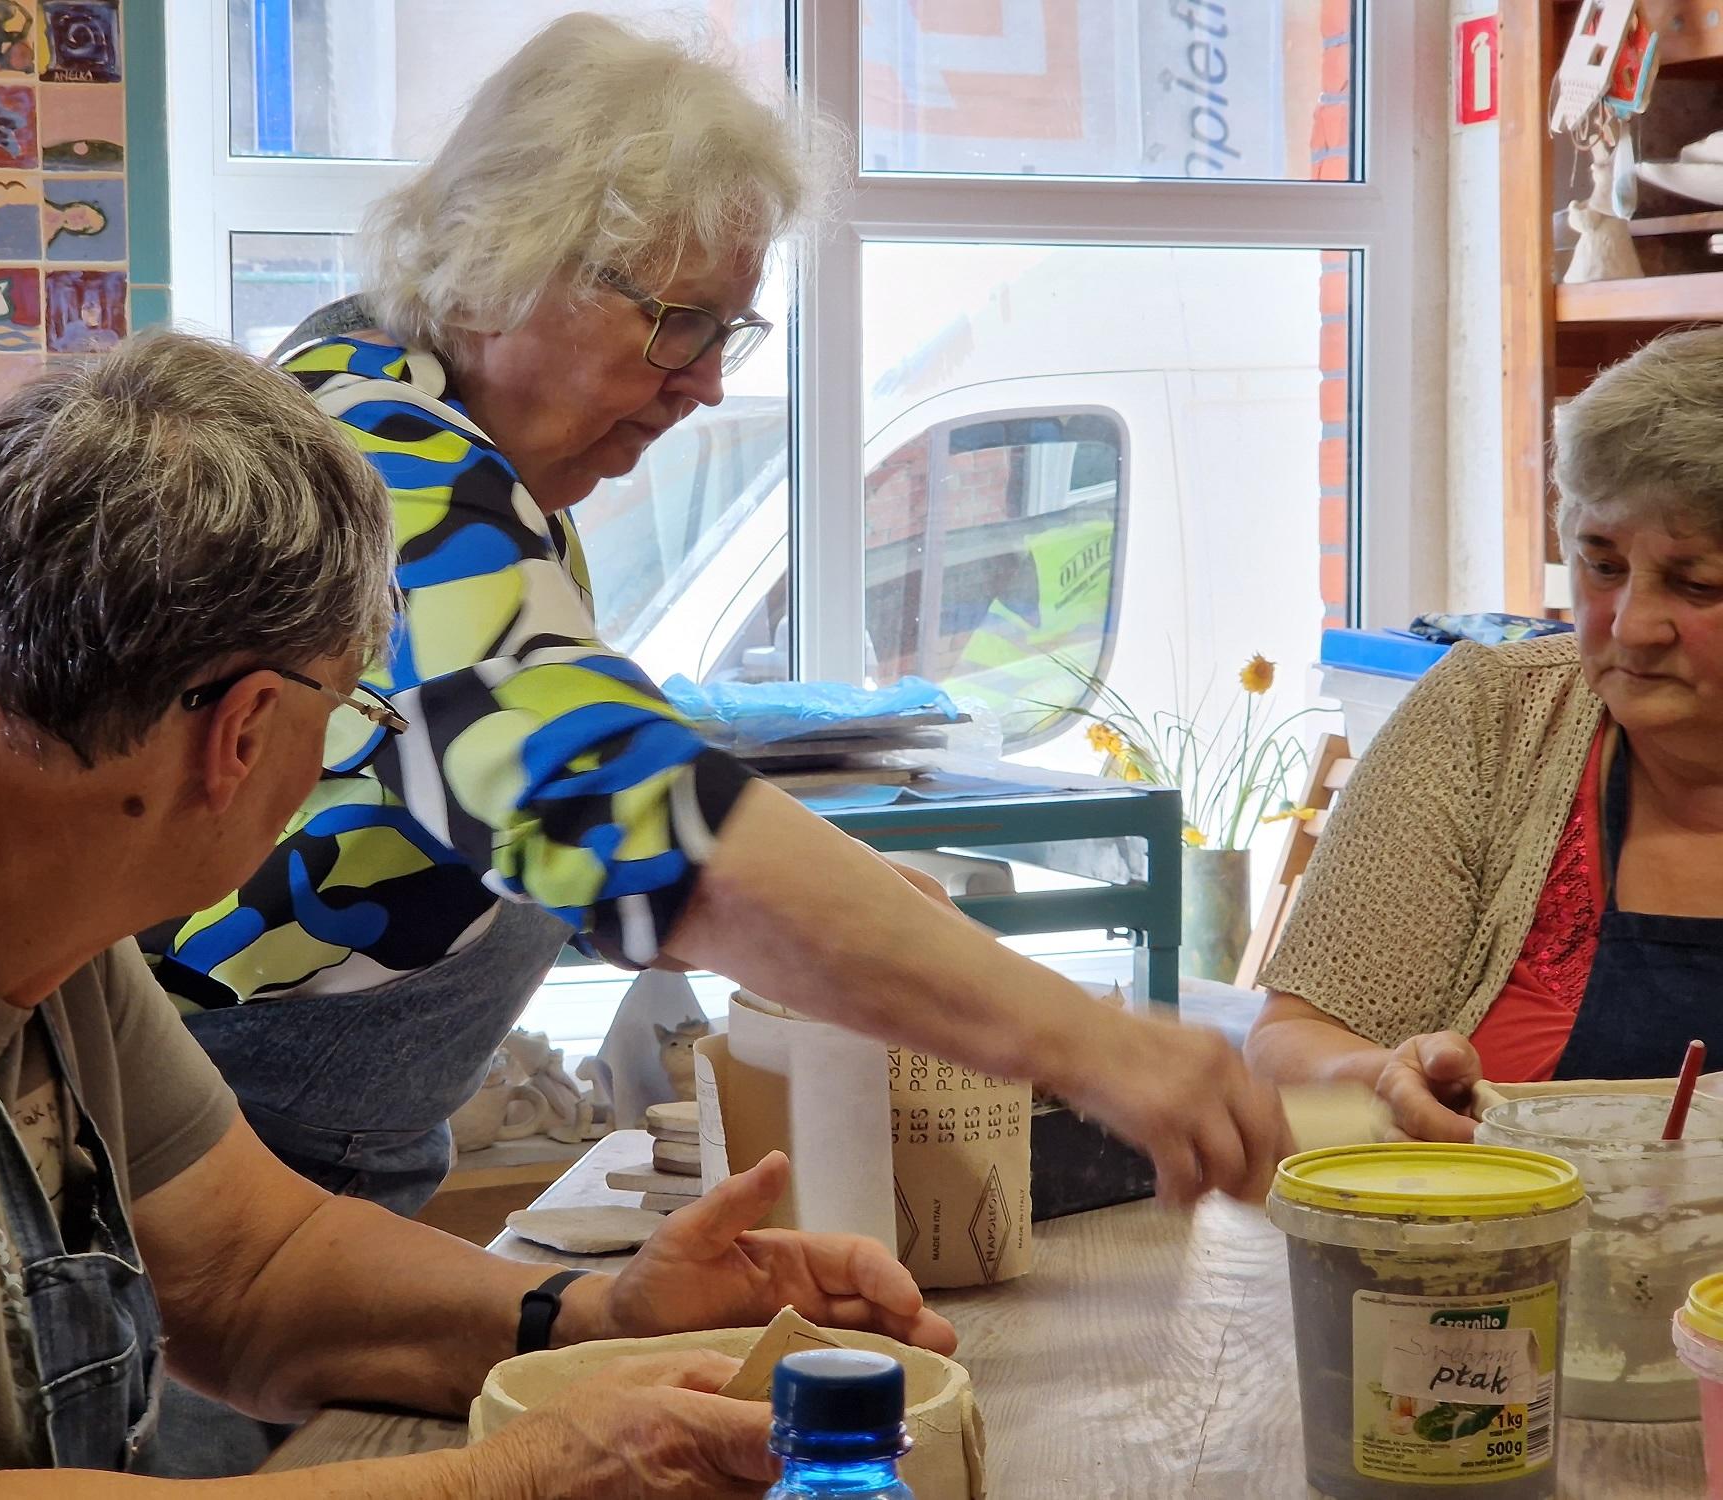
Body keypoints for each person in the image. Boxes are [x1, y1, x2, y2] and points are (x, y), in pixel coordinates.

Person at [0, 331, 958, 1497]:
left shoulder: (26, 884)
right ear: (248, 730)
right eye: (348, 722)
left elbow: (253, 1272)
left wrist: (591, 1321)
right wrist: (510, 1474)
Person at [148, 11, 1289, 1227]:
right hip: (189, 1184)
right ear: (496, 268)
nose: (707, 380)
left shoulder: (455, 448)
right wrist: (1087, 1044)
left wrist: (840, 902)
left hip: (297, 1167)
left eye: (723, 329)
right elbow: (610, 797)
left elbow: (543, 794)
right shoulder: (389, 466)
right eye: (674, 321)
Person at [1245, 326, 1723, 1142]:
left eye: (1698, 582)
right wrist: (1381, 1079)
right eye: (1601, 565)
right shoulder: (1490, 719)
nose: (1633, 625)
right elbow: (1291, 1043)